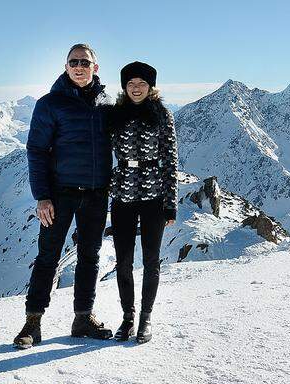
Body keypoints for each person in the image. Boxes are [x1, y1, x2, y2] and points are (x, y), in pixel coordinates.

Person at [13, 44, 114, 349]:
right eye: (74, 62)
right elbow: (37, 150)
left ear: (95, 67)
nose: (79, 66)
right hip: (59, 195)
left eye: (85, 62)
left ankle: (83, 317)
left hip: (96, 194)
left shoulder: (107, 104)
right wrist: (42, 197)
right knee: (48, 258)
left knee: (89, 257)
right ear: (66, 66)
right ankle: (33, 323)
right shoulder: (49, 104)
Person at [108, 61, 178, 343]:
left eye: (142, 84)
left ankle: (145, 318)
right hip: (123, 192)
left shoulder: (162, 114)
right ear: (125, 88)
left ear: (151, 87)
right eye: (131, 84)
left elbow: (171, 159)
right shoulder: (116, 114)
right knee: (123, 261)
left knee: (151, 260)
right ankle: (127, 318)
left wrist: (170, 202)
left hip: (153, 195)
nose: (136, 88)